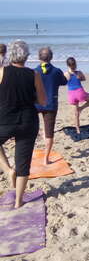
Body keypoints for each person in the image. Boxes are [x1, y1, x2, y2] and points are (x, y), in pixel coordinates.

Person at [0, 40, 46, 208]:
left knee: (18, 163)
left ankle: (7, 169)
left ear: (10, 55)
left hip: (5, 119)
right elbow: (42, 100)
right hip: (28, 121)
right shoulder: (34, 74)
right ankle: (19, 202)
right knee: (23, 162)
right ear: (26, 56)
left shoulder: (2, 71)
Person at [35, 47, 68, 165]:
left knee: (36, 129)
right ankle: (46, 159)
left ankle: (41, 139)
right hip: (50, 104)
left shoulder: (34, 71)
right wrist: (66, 75)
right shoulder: (56, 71)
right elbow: (64, 82)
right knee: (49, 132)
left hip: (36, 104)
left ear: (39, 57)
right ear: (51, 57)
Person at [64, 57, 89, 134]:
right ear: (75, 64)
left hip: (71, 94)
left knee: (76, 114)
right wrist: (79, 78)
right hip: (80, 92)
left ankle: (77, 129)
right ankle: (81, 108)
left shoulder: (65, 74)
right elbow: (84, 79)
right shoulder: (79, 72)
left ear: (67, 65)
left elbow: (63, 82)